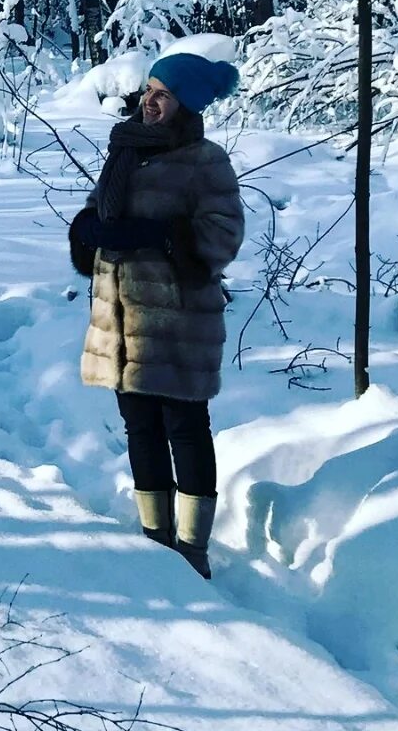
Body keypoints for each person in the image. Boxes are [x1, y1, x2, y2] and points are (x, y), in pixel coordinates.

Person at [68, 52, 245, 579]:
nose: (149, 100)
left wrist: (162, 237)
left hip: (177, 323)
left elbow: (222, 237)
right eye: (148, 90)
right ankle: (155, 538)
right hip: (122, 323)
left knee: (185, 427)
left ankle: (192, 550)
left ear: (184, 103)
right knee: (139, 427)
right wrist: (86, 229)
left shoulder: (206, 160)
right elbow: (101, 210)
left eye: (162, 94)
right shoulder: (127, 153)